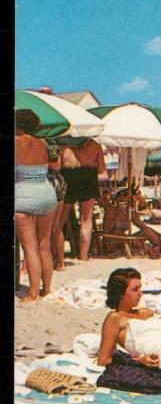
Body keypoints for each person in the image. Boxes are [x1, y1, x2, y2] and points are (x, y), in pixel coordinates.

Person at [15, 109, 58, 302]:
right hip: (47, 193)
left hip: (24, 195)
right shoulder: (42, 143)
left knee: (30, 249)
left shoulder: (16, 142)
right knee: (44, 246)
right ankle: (46, 289)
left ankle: (32, 293)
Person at [59, 138, 106, 260]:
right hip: (88, 176)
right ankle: (83, 255)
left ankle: (56, 255)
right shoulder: (95, 145)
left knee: (59, 221)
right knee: (86, 220)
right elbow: (103, 173)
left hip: (68, 175)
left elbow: (57, 167)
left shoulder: (64, 144)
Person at [46, 145, 68, 271]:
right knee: (56, 227)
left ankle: (25, 267)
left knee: (40, 228)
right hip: (59, 180)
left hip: (47, 180)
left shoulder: (41, 145)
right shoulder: (58, 147)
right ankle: (60, 261)